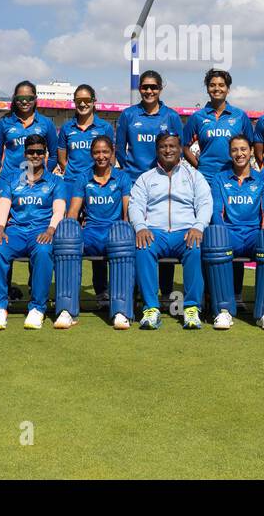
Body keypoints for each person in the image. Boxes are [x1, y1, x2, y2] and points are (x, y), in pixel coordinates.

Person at [183, 69, 255, 307]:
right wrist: (199, 165)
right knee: (206, 236)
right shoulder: (197, 117)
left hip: (232, 182)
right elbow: (185, 146)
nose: (217, 89)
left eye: (221, 85)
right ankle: (206, 294)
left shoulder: (239, 116)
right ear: (207, 88)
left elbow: (250, 145)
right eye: (212, 85)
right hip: (205, 182)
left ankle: (234, 293)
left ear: (228, 88)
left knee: (231, 233)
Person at [128, 132, 212, 330]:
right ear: (157, 150)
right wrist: (140, 227)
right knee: (142, 247)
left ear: (180, 148)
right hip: (154, 232)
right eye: (163, 147)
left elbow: (205, 203)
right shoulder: (146, 178)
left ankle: (192, 309)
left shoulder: (194, 175)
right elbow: (135, 205)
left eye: (172, 146)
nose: (168, 150)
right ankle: (151, 309)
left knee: (195, 247)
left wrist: (198, 226)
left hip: (185, 231)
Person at [116, 70, 184, 297]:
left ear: (160, 89)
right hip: (135, 183)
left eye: (153, 87)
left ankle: (165, 290)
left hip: (163, 182)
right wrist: (133, 172)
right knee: (138, 233)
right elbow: (120, 149)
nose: (149, 91)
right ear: (140, 89)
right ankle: (137, 290)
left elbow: (177, 149)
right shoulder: (128, 115)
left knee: (165, 229)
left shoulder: (171, 116)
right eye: (145, 87)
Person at [0, 135, 65, 330]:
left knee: (44, 252)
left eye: (39, 151)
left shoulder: (55, 181)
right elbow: (3, 207)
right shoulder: (13, 179)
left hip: (41, 231)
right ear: (25, 154)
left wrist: (50, 230)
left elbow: (59, 210)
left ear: (46, 154)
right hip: (16, 231)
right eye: (31, 152)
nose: (35, 155)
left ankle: (37, 308)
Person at [63, 135, 132, 329]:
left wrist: (126, 233)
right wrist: (69, 234)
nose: (101, 156)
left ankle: (120, 309)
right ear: (91, 154)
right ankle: (67, 308)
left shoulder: (122, 177)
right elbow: (73, 212)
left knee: (121, 246)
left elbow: (127, 213)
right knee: (68, 248)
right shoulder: (83, 178)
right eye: (96, 152)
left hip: (115, 232)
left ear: (112, 154)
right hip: (91, 231)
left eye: (105, 152)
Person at [56, 84, 115, 309]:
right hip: (72, 188)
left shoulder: (104, 127)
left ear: (93, 101)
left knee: (99, 233)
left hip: (97, 185)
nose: (82, 104)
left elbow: (110, 154)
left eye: (86, 100)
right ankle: (67, 290)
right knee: (69, 237)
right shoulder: (67, 127)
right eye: (78, 100)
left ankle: (101, 291)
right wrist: (73, 176)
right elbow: (62, 157)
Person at [210, 134, 264, 329]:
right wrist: (221, 235)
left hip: (254, 235)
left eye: (243, 149)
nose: (239, 154)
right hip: (230, 234)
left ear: (250, 152)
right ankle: (223, 311)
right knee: (216, 241)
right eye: (234, 150)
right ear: (230, 153)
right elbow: (216, 211)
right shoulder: (219, 178)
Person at [0, 81, 58, 186]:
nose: (24, 101)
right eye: (19, 98)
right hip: (9, 181)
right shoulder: (4, 122)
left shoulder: (46, 123)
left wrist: (43, 173)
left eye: (29, 98)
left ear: (35, 99)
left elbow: (54, 155)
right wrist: (6, 173)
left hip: (37, 182)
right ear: (14, 99)